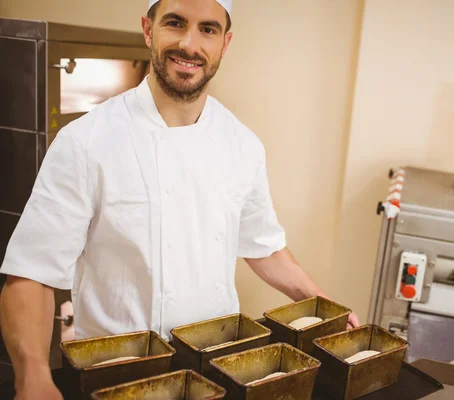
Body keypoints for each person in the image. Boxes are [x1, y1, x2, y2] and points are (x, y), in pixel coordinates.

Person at [0, 0, 359, 398]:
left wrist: (324, 304)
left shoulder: (242, 144)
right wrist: (32, 376)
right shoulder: (86, 143)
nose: (190, 44)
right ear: (148, 29)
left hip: (217, 374)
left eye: (207, 29)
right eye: (175, 23)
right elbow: (30, 275)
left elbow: (264, 247)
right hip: (115, 378)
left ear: (225, 43)